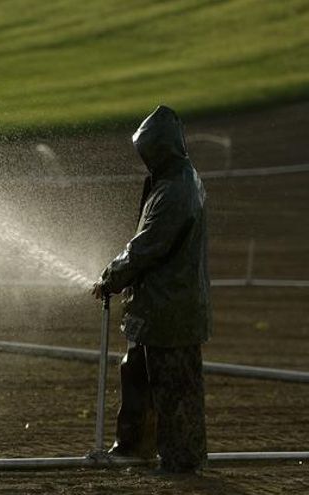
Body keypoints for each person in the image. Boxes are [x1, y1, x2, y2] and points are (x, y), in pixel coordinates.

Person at [91, 105, 211, 474]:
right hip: (154, 308)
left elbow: (147, 245)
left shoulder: (175, 190)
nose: (145, 158)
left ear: (162, 148)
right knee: (137, 376)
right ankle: (133, 448)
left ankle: (181, 461)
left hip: (169, 311)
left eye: (149, 150)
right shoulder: (173, 180)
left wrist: (112, 276)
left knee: (174, 390)